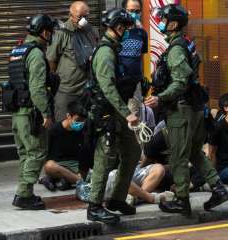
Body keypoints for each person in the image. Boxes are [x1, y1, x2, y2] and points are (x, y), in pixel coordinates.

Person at [144, 4, 228, 216]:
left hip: (182, 110)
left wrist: (160, 97)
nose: (161, 22)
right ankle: (218, 188)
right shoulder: (185, 44)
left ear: (173, 24)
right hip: (193, 108)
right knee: (193, 152)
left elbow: (181, 82)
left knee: (179, 157)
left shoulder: (176, 49)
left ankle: (182, 201)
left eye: (163, 19)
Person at [86, 8, 141, 224]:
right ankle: (94, 206)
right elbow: (107, 87)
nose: (128, 32)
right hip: (107, 113)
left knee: (133, 151)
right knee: (104, 158)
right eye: (126, 28)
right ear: (118, 28)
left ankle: (117, 199)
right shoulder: (106, 52)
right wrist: (127, 113)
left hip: (116, 112)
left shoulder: (113, 49)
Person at [5, 14, 57, 210]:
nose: (51, 35)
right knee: (36, 153)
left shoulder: (17, 50)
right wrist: (45, 113)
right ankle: (24, 194)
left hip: (17, 113)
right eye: (50, 32)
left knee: (26, 154)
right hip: (30, 114)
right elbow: (37, 88)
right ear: (44, 32)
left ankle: (25, 191)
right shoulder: (35, 54)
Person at [47, 1, 98, 121]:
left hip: (87, 91)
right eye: (80, 17)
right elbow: (51, 60)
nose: (83, 20)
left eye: (86, 16)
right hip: (67, 91)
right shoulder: (61, 33)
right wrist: (59, 78)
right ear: (70, 15)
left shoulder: (92, 31)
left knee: (87, 130)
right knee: (65, 128)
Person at [40, 100, 87, 191]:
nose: (80, 123)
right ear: (68, 116)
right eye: (77, 120)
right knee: (49, 166)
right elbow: (47, 156)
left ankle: (65, 180)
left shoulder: (83, 130)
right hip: (58, 165)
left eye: (82, 121)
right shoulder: (54, 130)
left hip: (76, 165)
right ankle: (82, 183)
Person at [120, 0, 148, 94]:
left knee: (135, 108)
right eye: (131, 11)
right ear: (124, 11)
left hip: (135, 82)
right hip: (119, 80)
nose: (134, 14)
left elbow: (142, 57)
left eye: (137, 11)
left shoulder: (142, 32)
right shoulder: (117, 31)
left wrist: (142, 77)